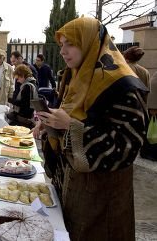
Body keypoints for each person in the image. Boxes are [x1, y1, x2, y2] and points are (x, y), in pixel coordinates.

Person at [33, 17, 148, 241]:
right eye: (62, 45)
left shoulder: (122, 84)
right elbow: (69, 117)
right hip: (73, 190)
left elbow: (129, 144)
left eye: (71, 44)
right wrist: (51, 124)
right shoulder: (76, 76)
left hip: (102, 197)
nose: (64, 51)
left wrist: (70, 126)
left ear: (90, 44)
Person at [141, 71, 157, 161]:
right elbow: (153, 90)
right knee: (152, 131)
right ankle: (149, 152)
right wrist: (153, 108)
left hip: (153, 107)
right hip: (154, 109)